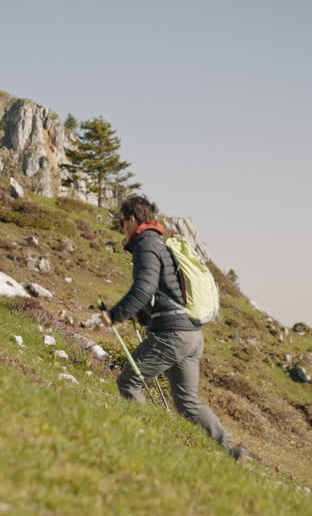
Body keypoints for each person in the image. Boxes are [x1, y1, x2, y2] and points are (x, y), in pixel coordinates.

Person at [100, 195, 246, 460]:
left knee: (130, 381)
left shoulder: (146, 246)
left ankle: (149, 444)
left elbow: (143, 288)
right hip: (191, 334)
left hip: (172, 334)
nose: (122, 227)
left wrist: (116, 314)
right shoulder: (160, 244)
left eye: (122, 221)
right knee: (187, 401)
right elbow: (165, 291)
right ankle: (229, 451)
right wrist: (144, 317)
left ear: (132, 219)